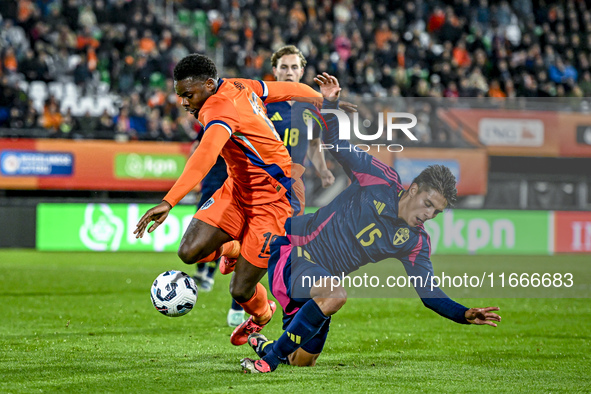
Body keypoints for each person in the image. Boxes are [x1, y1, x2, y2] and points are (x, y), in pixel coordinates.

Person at [240, 74, 501, 373]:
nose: (429, 214)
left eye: (436, 212)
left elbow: (429, 294)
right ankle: (267, 361)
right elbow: (336, 144)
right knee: (335, 295)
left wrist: (464, 313)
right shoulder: (379, 179)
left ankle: (265, 345)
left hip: (318, 282)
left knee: (303, 362)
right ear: (413, 188)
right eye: (428, 204)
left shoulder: (414, 241)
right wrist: (331, 103)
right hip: (293, 252)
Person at [134, 54, 323, 346]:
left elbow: (206, 155)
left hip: (273, 199)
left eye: (188, 95)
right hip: (237, 189)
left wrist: (169, 201)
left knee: (240, 290)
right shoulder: (239, 85)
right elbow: (284, 90)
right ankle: (235, 248)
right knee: (188, 252)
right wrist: (319, 96)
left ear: (209, 85)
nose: (184, 102)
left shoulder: (218, 108)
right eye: (180, 95)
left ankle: (261, 316)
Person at [188, 128, 246, 327]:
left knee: (222, 235)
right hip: (209, 187)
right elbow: (196, 148)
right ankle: (201, 270)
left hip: (225, 191)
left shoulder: (234, 130)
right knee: (199, 232)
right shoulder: (210, 126)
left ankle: (210, 275)